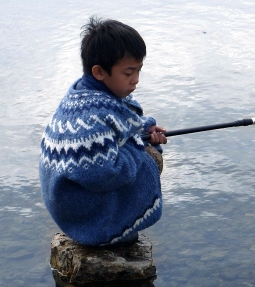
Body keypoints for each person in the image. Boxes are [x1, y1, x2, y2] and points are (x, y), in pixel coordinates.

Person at [40, 17, 167, 246]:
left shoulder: (84, 94)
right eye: (128, 73)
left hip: (73, 203)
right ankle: (115, 231)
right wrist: (141, 146)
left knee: (145, 153)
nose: (135, 80)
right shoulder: (90, 119)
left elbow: (121, 122)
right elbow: (105, 173)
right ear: (99, 72)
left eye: (138, 71)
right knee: (151, 161)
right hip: (86, 218)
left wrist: (143, 129)